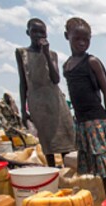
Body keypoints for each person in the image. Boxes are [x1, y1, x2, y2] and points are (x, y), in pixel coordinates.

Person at [63, 17, 106, 197]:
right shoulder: (67, 66)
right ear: (66, 36)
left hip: (96, 119)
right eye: (77, 39)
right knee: (102, 164)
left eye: (87, 39)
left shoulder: (92, 61)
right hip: (82, 121)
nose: (82, 43)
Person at [16, 18, 75, 167]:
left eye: (42, 32)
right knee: (47, 143)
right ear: (27, 33)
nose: (38, 35)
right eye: (34, 31)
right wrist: (23, 109)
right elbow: (23, 82)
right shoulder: (21, 53)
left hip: (56, 101)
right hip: (38, 103)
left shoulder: (52, 54)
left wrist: (46, 54)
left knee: (65, 142)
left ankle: (67, 172)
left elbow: (55, 79)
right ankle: (52, 171)